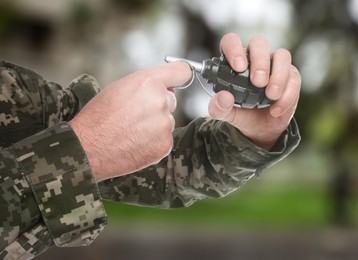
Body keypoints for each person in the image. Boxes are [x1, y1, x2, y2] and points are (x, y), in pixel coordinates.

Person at [0, 33, 301, 259]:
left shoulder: (12, 91)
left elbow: (174, 167)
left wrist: (254, 134)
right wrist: (85, 151)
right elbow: (90, 141)